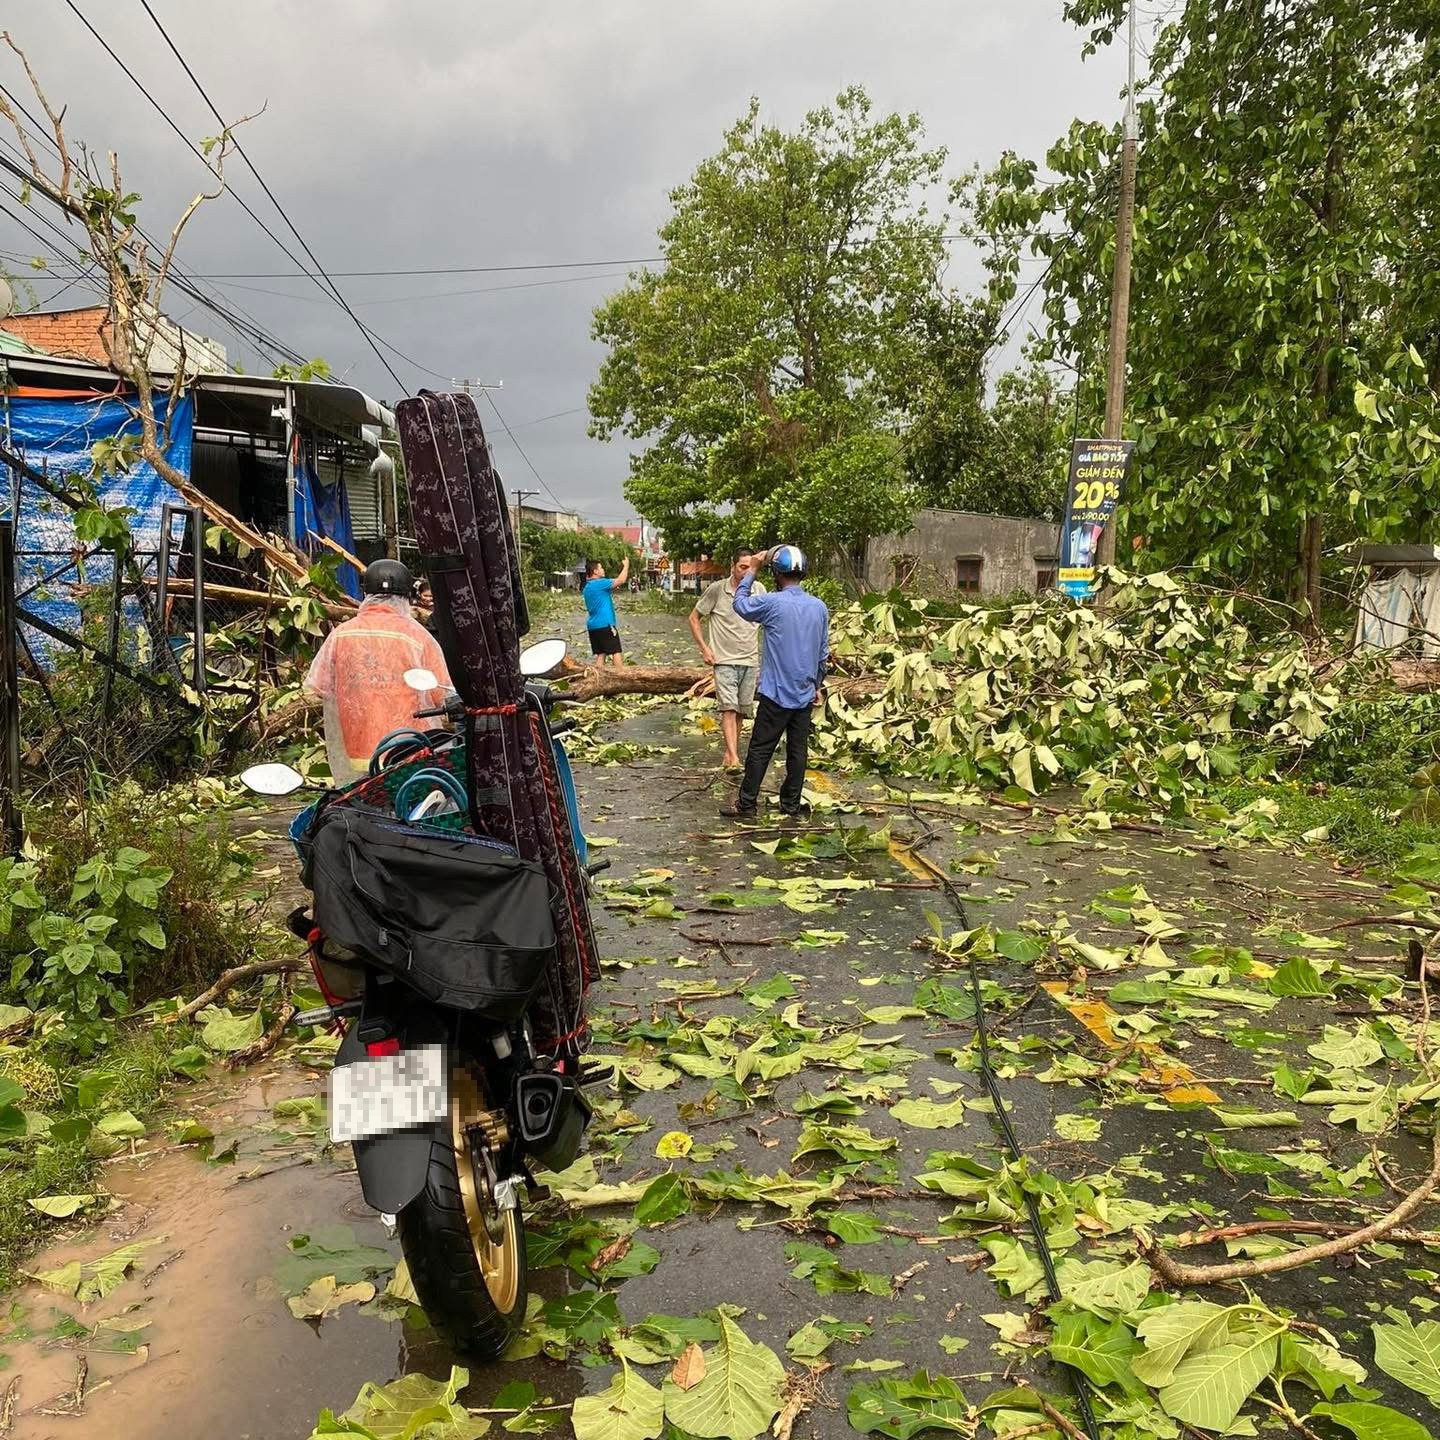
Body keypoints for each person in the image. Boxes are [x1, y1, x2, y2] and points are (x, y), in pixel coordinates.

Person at [304, 559, 452, 786]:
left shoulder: (341, 634)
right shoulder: (419, 637)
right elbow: (442, 693)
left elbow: (318, 686)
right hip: (408, 750)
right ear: (406, 598)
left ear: (366, 594)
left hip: (355, 753)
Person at [722, 545, 828, 820]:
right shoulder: (819, 607)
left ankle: (747, 804)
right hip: (804, 693)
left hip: (776, 693)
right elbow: (822, 653)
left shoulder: (771, 603)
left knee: (760, 749)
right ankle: (790, 804)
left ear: (776, 573)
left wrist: (753, 570)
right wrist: (817, 684)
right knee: (797, 752)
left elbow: (739, 604)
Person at [689, 550, 765, 770]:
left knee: (741, 710)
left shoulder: (758, 590)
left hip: (750, 660)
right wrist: (705, 649)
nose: (746, 571)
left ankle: (729, 755)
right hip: (724, 660)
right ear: (732, 567)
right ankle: (734, 758)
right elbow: (694, 618)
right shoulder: (717, 590)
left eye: (750, 567)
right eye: (742, 567)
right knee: (728, 709)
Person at [582, 554, 630, 665]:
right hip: (605, 624)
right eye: (601, 568)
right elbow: (621, 580)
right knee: (616, 651)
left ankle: (598, 679)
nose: (603, 570)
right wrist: (626, 566)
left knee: (601, 653)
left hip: (593, 626)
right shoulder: (600, 583)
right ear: (595, 571)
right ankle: (621, 677)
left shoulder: (587, 587)